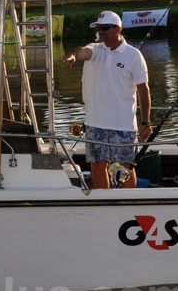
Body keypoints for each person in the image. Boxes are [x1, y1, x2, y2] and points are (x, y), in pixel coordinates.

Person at [62, 10, 151, 189]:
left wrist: (145, 121)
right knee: (97, 165)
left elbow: (143, 89)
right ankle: (105, 204)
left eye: (105, 28)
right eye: (99, 28)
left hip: (123, 124)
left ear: (117, 29)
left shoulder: (133, 55)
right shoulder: (95, 49)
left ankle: (127, 205)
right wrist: (72, 56)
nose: (101, 31)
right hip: (95, 123)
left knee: (125, 168)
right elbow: (81, 51)